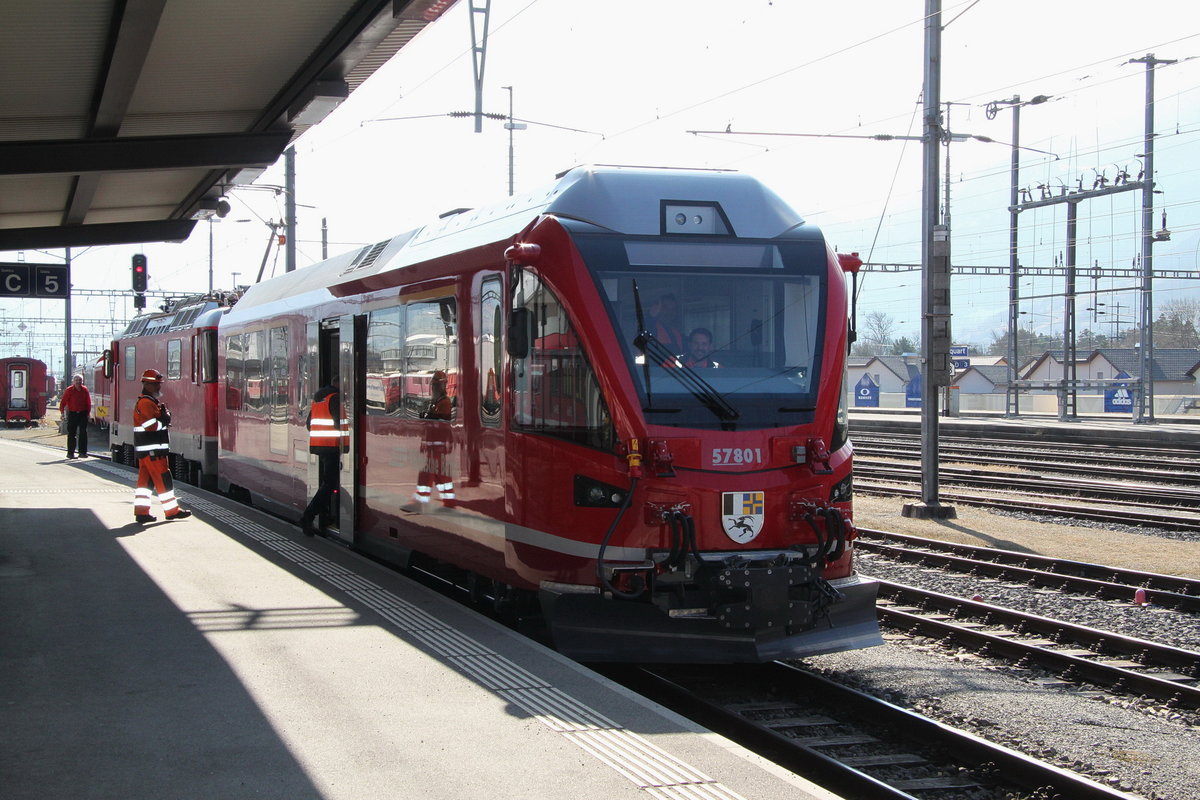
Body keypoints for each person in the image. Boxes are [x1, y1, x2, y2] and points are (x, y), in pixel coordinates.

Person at [133, 369, 192, 523]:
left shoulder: (148, 402)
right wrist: (165, 420)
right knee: (163, 479)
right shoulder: (146, 403)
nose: (158, 387)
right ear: (146, 384)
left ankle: (141, 512)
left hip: (146, 450)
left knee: (144, 483)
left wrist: (163, 417)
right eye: (155, 384)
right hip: (153, 451)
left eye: (158, 384)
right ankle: (172, 511)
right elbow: (150, 425)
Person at [300, 375, 346, 536]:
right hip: (332, 447)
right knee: (330, 484)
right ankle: (308, 516)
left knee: (328, 483)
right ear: (338, 384)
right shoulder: (335, 399)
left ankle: (324, 515)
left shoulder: (320, 399)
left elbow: (309, 424)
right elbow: (340, 424)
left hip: (320, 447)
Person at [410, 370, 455, 511]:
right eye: (434, 386)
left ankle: (420, 501)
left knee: (427, 472)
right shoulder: (436, 402)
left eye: (436, 386)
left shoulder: (444, 403)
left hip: (437, 444)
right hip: (433, 444)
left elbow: (440, 423)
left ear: (442, 386)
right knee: (440, 474)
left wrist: (428, 417)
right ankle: (449, 502)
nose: (434, 388)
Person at [59, 374, 91, 459]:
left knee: (83, 433)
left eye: (80, 380)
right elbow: (63, 402)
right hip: (73, 414)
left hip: (83, 413)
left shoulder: (85, 390)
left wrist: (88, 414)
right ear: (73, 381)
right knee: (71, 434)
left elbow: (88, 402)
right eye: (76, 380)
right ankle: (70, 453)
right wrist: (62, 413)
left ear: (82, 381)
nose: (78, 382)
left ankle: (83, 453)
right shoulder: (69, 390)